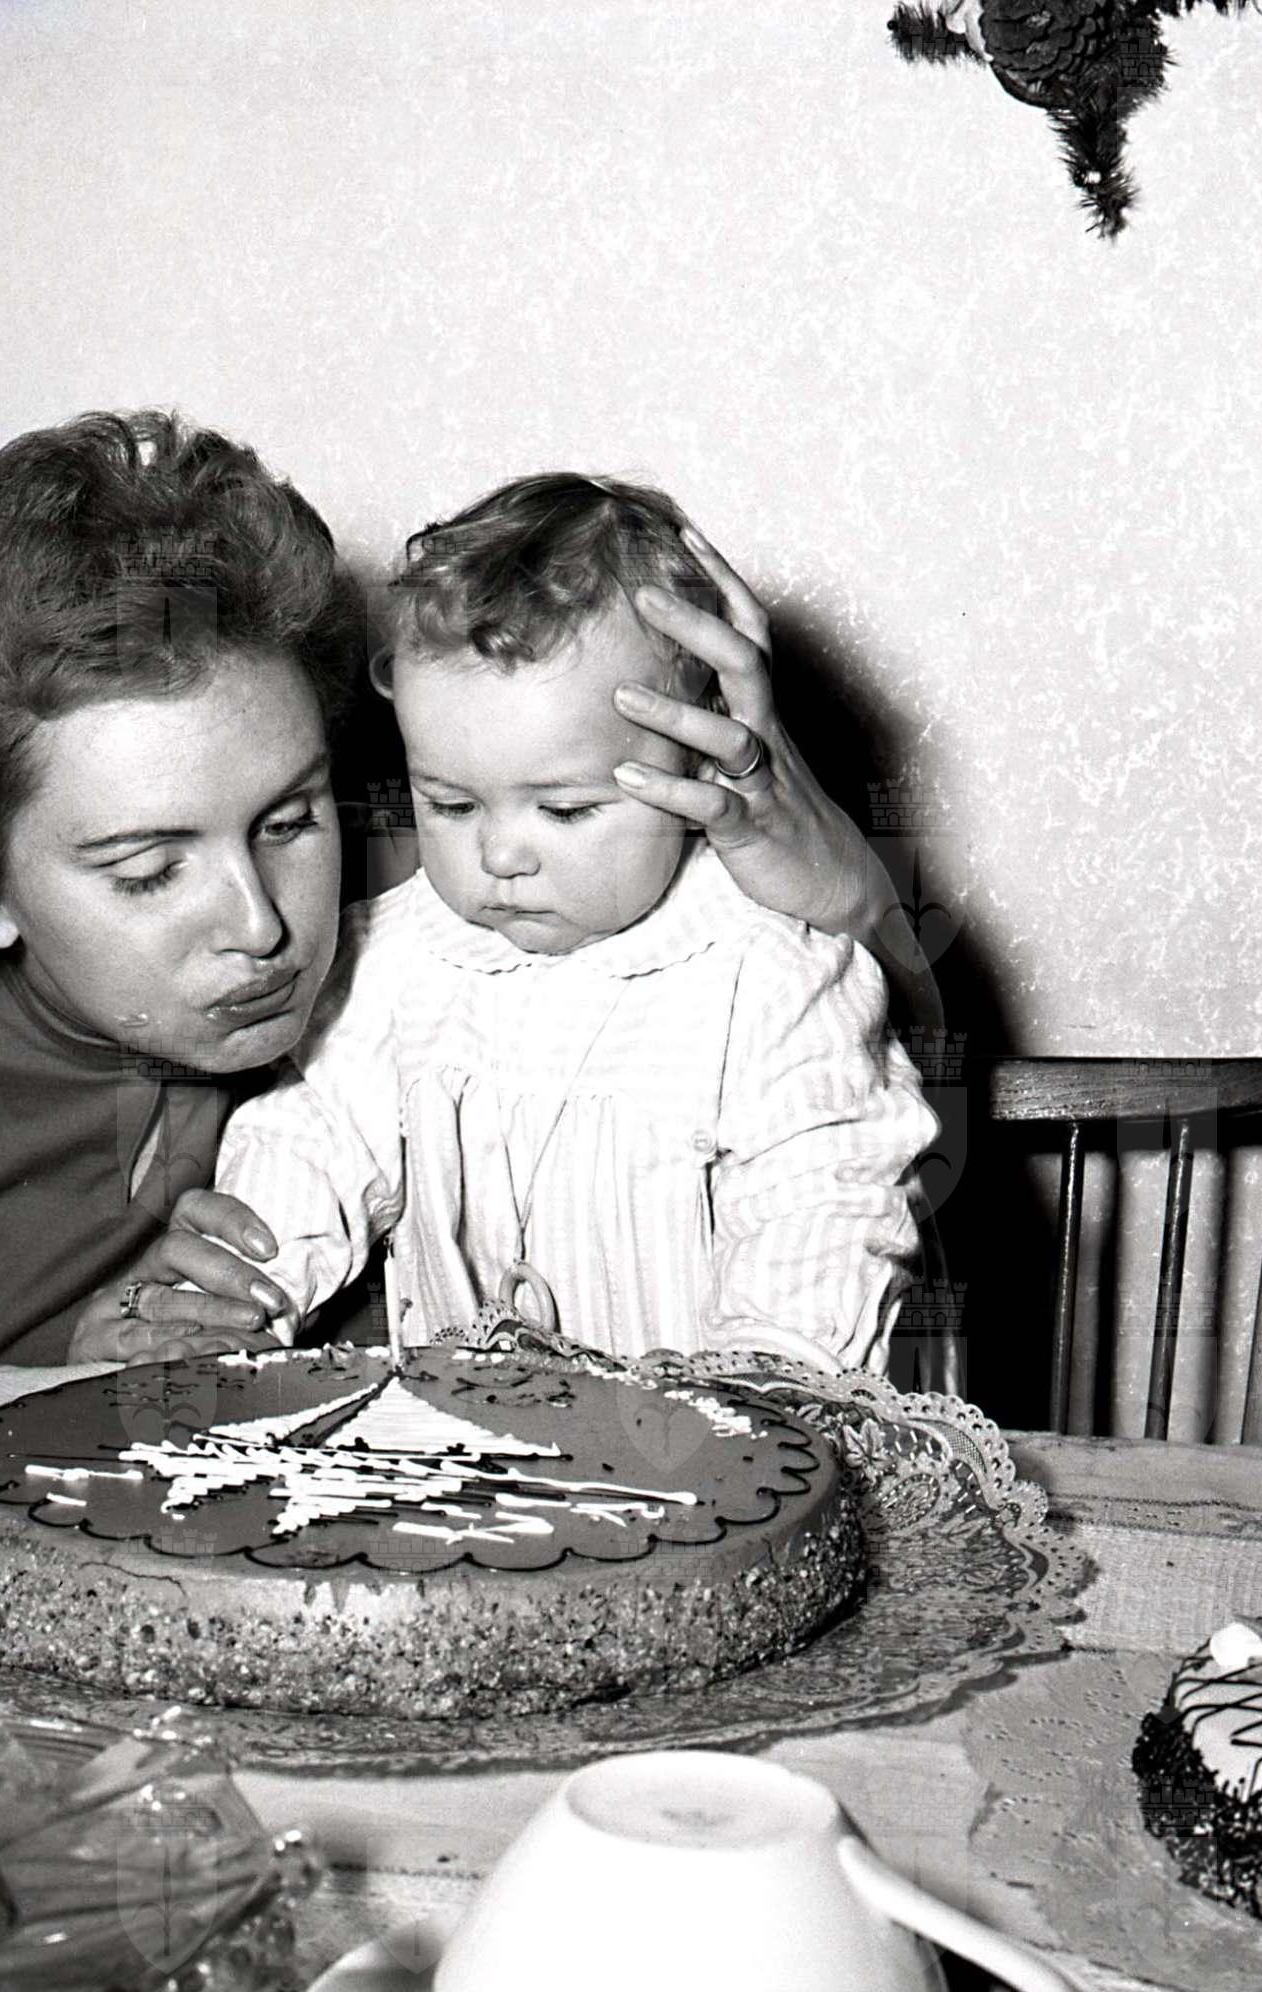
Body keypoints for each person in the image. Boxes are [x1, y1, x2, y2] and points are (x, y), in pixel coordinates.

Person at [0, 411, 939, 1376]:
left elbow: (861, 1129)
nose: (263, 925)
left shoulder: (464, 901)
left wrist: (831, 880)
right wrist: (42, 1386)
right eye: (149, 870)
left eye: (289, 820)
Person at [195, 473, 938, 1372]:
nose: (500, 853)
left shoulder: (774, 973)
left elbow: (825, 1202)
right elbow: (309, 1141)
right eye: (451, 804)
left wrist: (765, 1384)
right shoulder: (392, 956)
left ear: (696, 764)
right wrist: (235, 1298)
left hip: (707, 1436)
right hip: (459, 1440)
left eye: (567, 810)